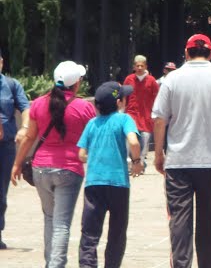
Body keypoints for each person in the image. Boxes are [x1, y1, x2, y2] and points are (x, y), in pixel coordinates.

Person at [152, 34, 211, 268]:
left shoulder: (172, 79)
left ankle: (181, 264)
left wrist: (159, 154)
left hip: (179, 161)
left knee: (179, 219)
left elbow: (160, 119)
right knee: (209, 219)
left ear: (186, 52)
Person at [10, 60, 94, 268]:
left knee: (49, 217)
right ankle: (56, 265)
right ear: (76, 84)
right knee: (62, 223)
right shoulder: (84, 107)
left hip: (41, 168)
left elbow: (30, 137)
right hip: (69, 169)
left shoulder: (38, 103)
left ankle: (50, 262)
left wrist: (17, 164)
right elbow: (93, 137)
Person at [76, 82, 144, 268]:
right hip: (118, 183)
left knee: (89, 232)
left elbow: (81, 154)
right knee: (117, 232)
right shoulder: (124, 119)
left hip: (94, 183)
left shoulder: (91, 124)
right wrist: (137, 162)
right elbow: (134, 142)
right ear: (119, 102)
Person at [0, 47, 30, 249]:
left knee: (1, 192)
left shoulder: (11, 84)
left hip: (5, 146)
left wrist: (25, 127)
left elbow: (25, 107)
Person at [122, 55, 160, 168]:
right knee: (129, 138)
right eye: (137, 65)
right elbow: (123, 95)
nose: (139, 68)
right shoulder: (129, 79)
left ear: (145, 66)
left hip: (146, 116)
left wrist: (156, 113)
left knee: (145, 139)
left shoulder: (152, 81)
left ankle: (141, 161)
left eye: (141, 66)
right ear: (134, 66)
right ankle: (128, 160)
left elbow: (157, 97)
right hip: (131, 114)